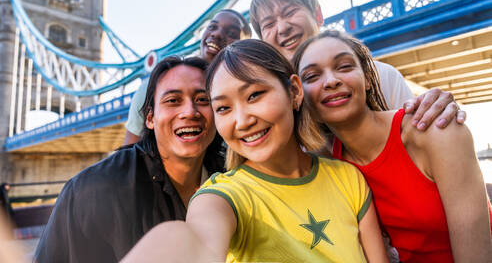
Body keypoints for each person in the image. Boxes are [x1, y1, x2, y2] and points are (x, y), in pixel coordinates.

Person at [123, 40, 389, 263]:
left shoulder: (348, 178)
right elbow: (196, 239)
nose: (242, 121)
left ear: (294, 91)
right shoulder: (224, 196)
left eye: (254, 95)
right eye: (223, 108)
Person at [292, 30, 492, 262]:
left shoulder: (434, 132)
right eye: (312, 76)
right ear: (299, 96)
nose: (331, 81)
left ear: (367, 78)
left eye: (345, 66)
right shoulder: (329, 165)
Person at [34, 56, 225, 263]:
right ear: (150, 118)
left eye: (203, 100)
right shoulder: (90, 191)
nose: (190, 111)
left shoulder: (231, 181)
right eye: (173, 101)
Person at [249, 0, 465, 130]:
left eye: (290, 12)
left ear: (318, 14)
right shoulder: (275, 102)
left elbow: (423, 132)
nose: (282, 28)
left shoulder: (381, 76)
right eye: (269, 24)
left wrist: (439, 118)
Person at [123, 9, 251, 145]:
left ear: (244, 49)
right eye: (212, 27)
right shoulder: (154, 86)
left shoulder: (248, 98)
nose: (217, 34)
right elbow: (129, 154)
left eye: (231, 33)